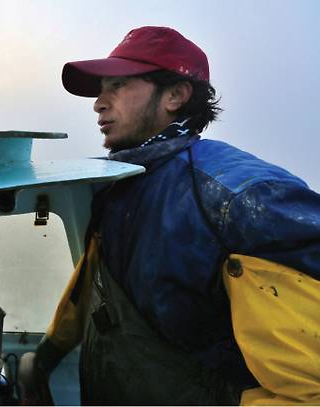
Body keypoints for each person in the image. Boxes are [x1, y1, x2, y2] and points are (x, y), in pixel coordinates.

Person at [25, 26, 320, 405]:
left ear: (175, 95)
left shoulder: (238, 200)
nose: (99, 102)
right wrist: (45, 357)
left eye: (117, 85)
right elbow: (93, 286)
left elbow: (309, 390)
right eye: (101, 89)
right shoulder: (121, 184)